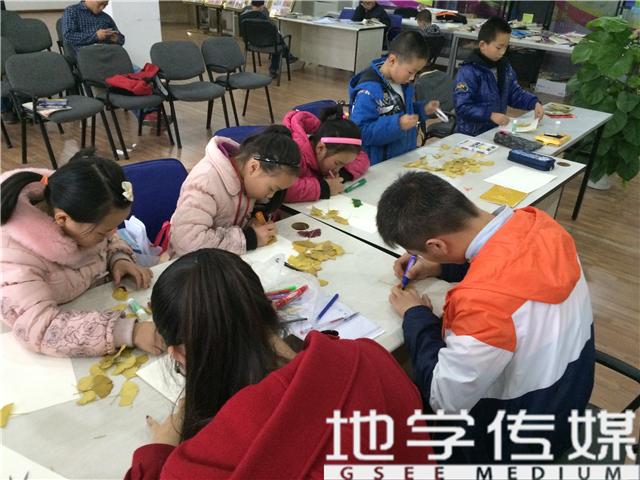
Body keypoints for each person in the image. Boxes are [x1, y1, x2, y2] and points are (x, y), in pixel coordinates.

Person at [125, 249, 432, 479]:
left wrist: (157, 451)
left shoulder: (199, 463)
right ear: (272, 309)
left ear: (178, 354)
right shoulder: (367, 356)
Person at [376, 171, 595, 463]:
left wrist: (415, 316)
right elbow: (508, 264)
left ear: (437, 246)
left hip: (520, 433)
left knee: (396, 414)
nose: (421, 258)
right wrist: (440, 267)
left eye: (420, 253)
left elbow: (445, 399)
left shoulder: (484, 305)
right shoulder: (539, 224)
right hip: (569, 394)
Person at [0, 150, 163, 357]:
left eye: (115, 227)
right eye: (103, 232)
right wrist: (128, 331)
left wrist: (118, 258)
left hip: (87, 303)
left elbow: (109, 239)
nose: (111, 234)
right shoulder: (11, 257)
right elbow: (41, 329)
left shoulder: (77, 208)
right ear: (62, 219)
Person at [170, 126, 300, 257]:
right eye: (271, 189)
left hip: (228, 258)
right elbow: (187, 242)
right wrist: (249, 238)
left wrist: (253, 221)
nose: (271, 196)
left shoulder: (247, 176)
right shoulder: (205, 181)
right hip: (192, 262)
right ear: (253, 167)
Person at [349, 31, 440, 165]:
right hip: (379, 166)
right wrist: (398, 124)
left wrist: (423, 109)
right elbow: (361, 132)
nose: (412, 78)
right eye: (411, 72)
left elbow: (402, 110)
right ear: (392, 60)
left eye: (417, 72)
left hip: (403, 158)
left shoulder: (402, 82)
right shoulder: (368, 90)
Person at [453, 16, 544, 136]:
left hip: (496, 130)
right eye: (499, 47)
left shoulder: (504, 67)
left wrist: (534, 103)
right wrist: (490, 115)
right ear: (482, 45)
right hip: (471, 134)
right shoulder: (469, 71)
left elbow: (514, 93)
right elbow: (462, 107)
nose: (502, 52)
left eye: (506, 47)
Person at [282, 104, 369, 202]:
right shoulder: (295, 155)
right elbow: (282, 189)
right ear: (320, 148)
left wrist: (341, 174)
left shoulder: (331, 151)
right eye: (337, 163)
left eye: (343, 165)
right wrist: (325, 187)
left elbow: (363, 159)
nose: (338, 168)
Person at [239, 0, 303, 79]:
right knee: (278, 44)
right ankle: (275, 68)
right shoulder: (263, 17)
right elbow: (271, 32)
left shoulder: (242, 17)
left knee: (277, 40)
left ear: (251, 4)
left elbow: (242, 33)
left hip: (251, 44)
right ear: (263, 6)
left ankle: (288, 56)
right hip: (266, 45)